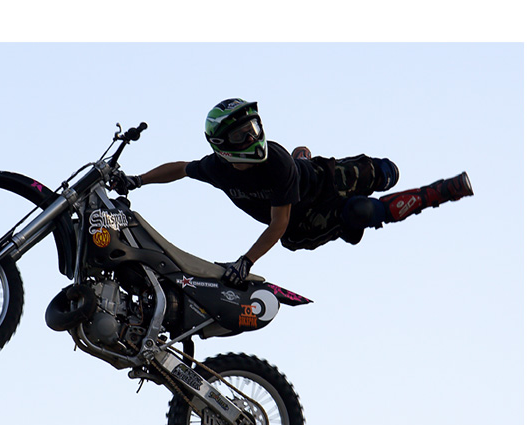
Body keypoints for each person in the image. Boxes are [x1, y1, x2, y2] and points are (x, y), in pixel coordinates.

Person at [113, 98, 473, 287]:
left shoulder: (276, 161)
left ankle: (308, 162)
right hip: (301, 223)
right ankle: (436, 194)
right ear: (223, 146)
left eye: (253, 128)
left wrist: (244, 262)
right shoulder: (215, 168)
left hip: (320, 178)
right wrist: (137, 180)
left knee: (386, 172)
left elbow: (274, 222)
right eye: (241, 135)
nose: (252, 138)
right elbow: (180, 168)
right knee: (360, 213)